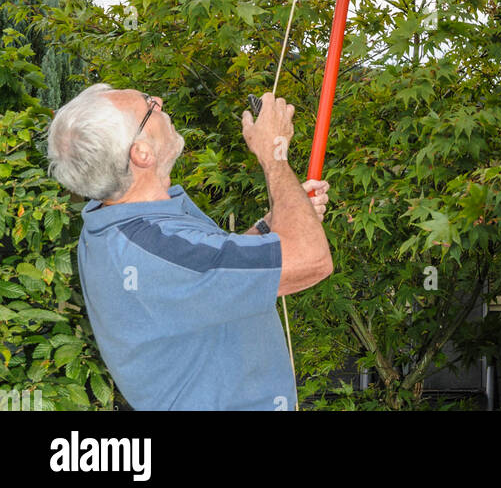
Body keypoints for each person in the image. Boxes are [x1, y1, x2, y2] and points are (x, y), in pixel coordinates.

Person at [46, 84, 331, 410]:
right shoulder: (154, 249)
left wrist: (281, 220)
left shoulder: (115, 226)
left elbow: (215, 272)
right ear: (141, 153)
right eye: (148, 105)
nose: (158, 100)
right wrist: (274, 155)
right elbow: (312, 259)